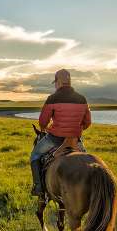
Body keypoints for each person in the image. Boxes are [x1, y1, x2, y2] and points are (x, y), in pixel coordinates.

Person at [30, 69, 91, 197]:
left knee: (35, 155)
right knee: (89, 163)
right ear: (69, 82)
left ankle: (38, 187)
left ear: (58, 82)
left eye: (55, 82)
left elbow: (42, 122)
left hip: (54, 139)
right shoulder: (82, 99)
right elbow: (87, 122)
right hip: (75, 141)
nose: (55, 85)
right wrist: (75, 131)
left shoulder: (52, 99)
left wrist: (46, 128)